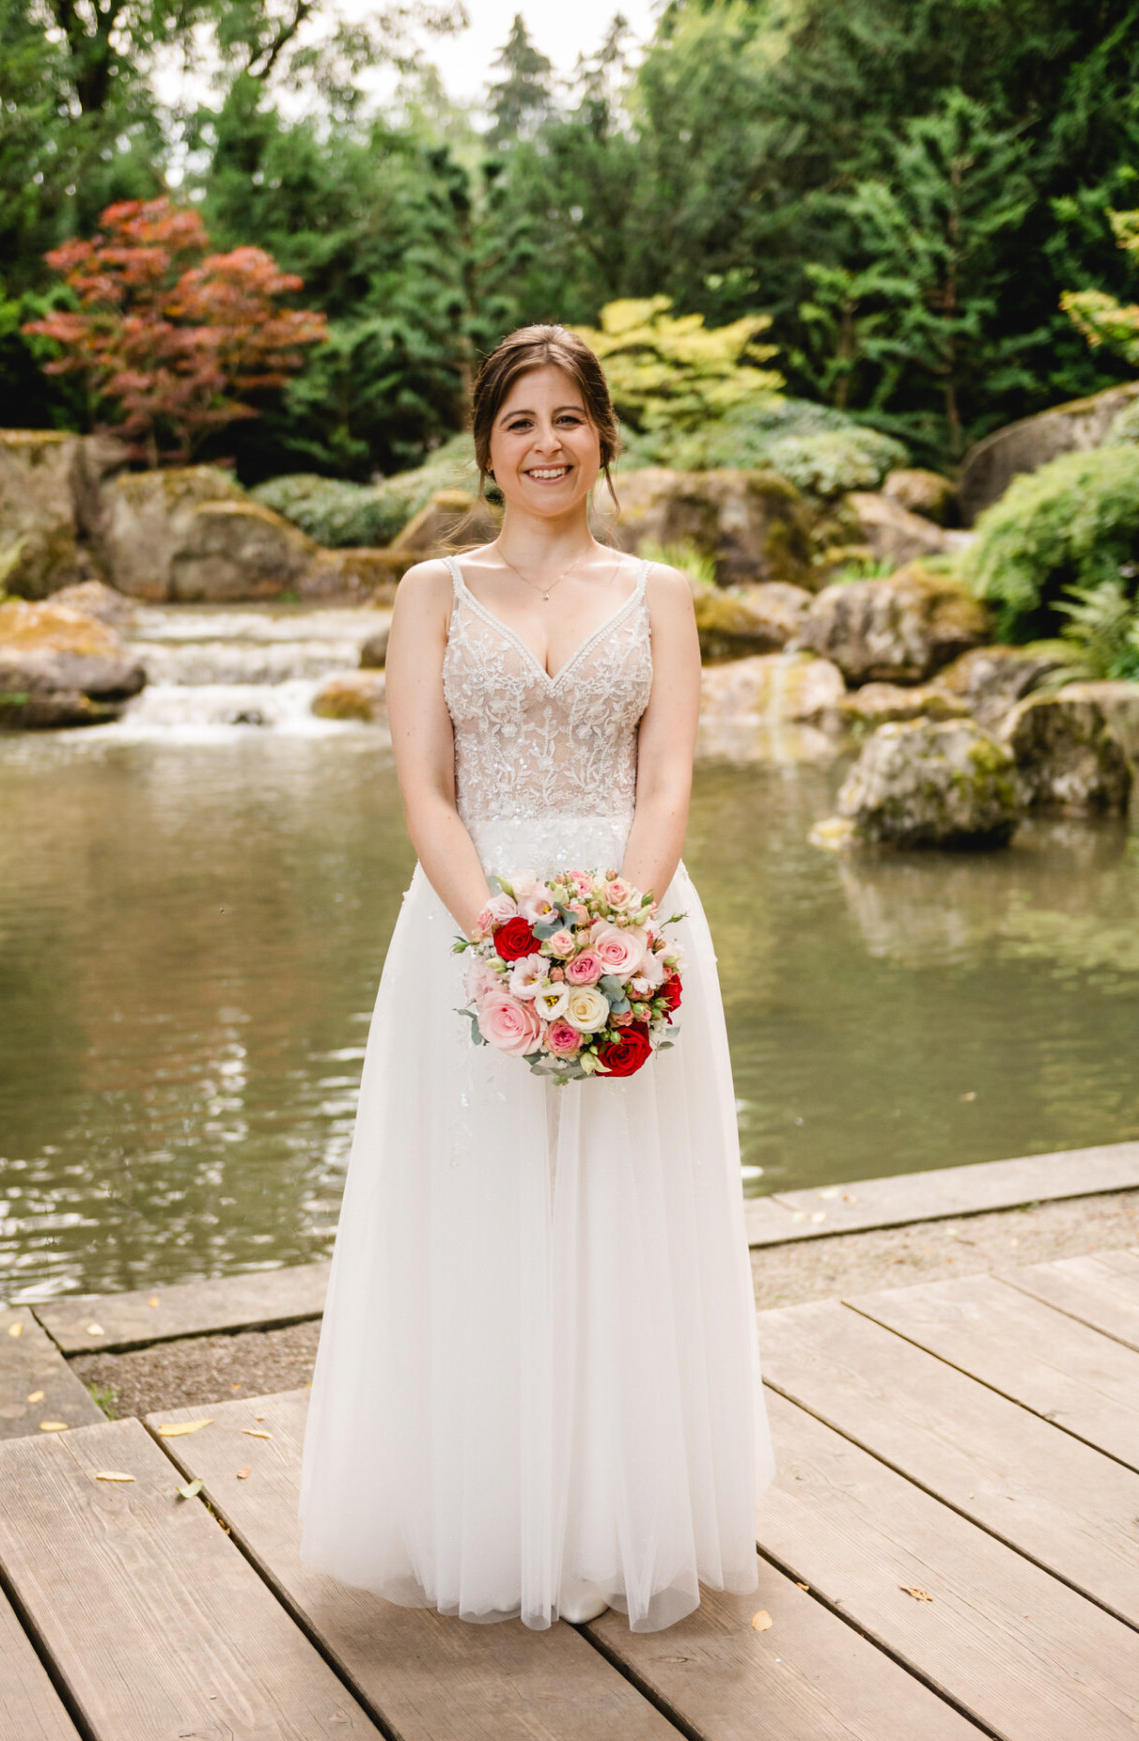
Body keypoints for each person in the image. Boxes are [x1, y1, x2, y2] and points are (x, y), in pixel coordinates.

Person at [297, 323, 774, 1632]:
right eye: (520, 421)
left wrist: (614, 931)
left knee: (629, 1210)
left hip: (637, 927)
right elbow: (424, 789)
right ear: (487, 448)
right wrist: (508, 942)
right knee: (480, 1203)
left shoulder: (662, 593)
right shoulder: (431, 593)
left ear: (603, 435)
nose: (547, 443)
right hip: (468, 930)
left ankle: (621, 1513)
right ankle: (488, 1511)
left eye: (569, 417)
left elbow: (668, 780)